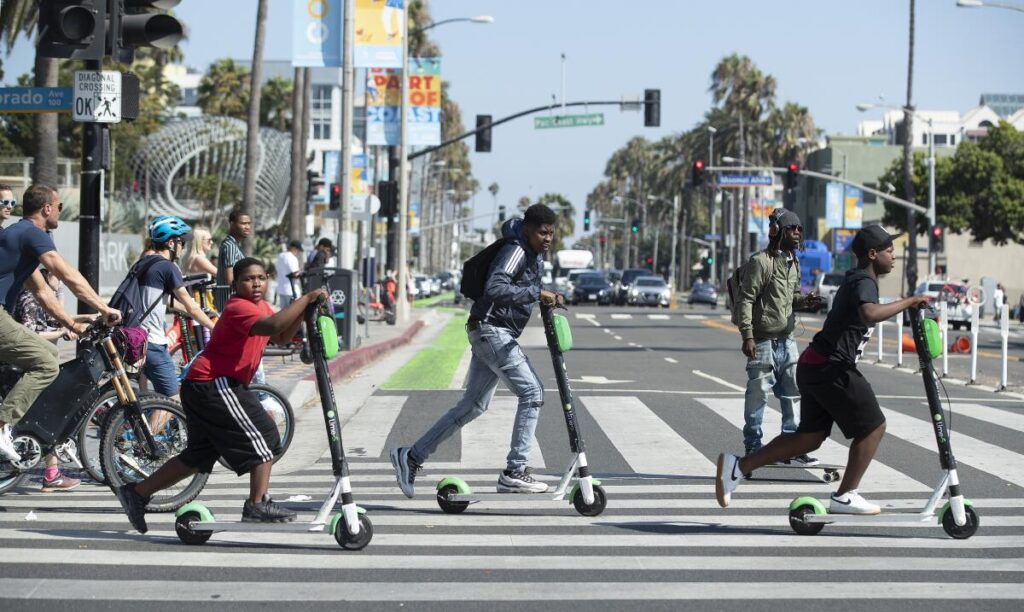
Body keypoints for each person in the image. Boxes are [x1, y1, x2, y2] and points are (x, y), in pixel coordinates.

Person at [716, 224, 931, 515]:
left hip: (815, 364)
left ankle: (738, 467)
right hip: (832, 367)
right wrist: (909, 301)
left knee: (810, 438)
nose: (894, 256)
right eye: (889, 250)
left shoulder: (858, 279)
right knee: (873, 427)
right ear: (871, 254)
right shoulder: (864, 282)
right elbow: (869, 313)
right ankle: (845, 495)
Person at [113, 258, 327, 533]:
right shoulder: (239, 307)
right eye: (249, 279)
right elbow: (274, 327)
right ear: (236, 284)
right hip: (214, 384)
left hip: (204, 386)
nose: (257, 283)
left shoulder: (260, 306)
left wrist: (305, 308)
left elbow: (282, 337)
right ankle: (257, 504)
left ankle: (137, 494)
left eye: (261, 277)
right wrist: (307, 296)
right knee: (267, 436)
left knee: (199, 457)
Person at [389, 204, 560, 497]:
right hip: (492, 330)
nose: (548, 239)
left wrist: (538, 298)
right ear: (529, 229)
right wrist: (534, 294)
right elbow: (495, 287)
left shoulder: (531, 256)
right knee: (533, 393)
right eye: (543, 232)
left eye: (552, 234)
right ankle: (515, 471)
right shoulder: (517, 250)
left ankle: (411, 456)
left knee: (474, 405)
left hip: (487, 330)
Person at [0, 184, 121, 462]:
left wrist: (72, 323)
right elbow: (67, 274)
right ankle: (2, 425)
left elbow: (43, 293)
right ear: (47, 208)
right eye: (59, 207)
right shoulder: (33, 233)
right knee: (45, 362)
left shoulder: (17, 236)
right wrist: (104, 308)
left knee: (49, 355)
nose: (59, 211)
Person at [736, 209, 820, 463]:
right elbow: (746, 299)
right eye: (792, 229)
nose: (797, 233)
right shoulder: (760, 262)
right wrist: (747, 335)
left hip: (787, 339)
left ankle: (792, 446)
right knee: (758, 394)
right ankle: (753, 446)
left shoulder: (793, 262)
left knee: (793, 392)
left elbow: (792, 298)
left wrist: (806, 301)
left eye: (799, 230)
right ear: (777, 232)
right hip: (762, 341)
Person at [12, 268, 97, 491]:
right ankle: (51, 474)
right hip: (27, 366)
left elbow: (57, 319)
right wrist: (62, 332)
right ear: (46, 275)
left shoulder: (45, 295)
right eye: (58, 279)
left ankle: (52, 473)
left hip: (42, 361)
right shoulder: (29, 296)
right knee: (49, 412)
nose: (61, 284)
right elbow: (30, 331)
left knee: (49, 411)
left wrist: (86, 318)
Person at [135, 216, 217, 400]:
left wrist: (195, 311)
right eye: (181, 242)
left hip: (137, 337)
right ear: (171, 243)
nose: (183, 247)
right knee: (172, 399)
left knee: (152, 394)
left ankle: (149, 421)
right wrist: (215, 328)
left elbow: (164, 301)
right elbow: (190, 305)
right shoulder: (167, 267)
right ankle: (148, 429)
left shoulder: (145, 261)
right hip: (153, 341)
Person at [216, 210, 251, 287]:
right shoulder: (230, 246)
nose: (247, 227)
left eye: (249, 223)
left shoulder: (234, 244)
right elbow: (230, 280)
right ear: (232, 224)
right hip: (230, 296)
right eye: (243, 223)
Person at [275, 240, 303, 308]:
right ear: (294, 248)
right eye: (298, 250)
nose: (298, 252)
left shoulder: (280, 256)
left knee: (283, 314)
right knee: (293, 315)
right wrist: (302, 273)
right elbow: (294, 274)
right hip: (292, 291)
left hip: (281, 289)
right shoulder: (292, 258)